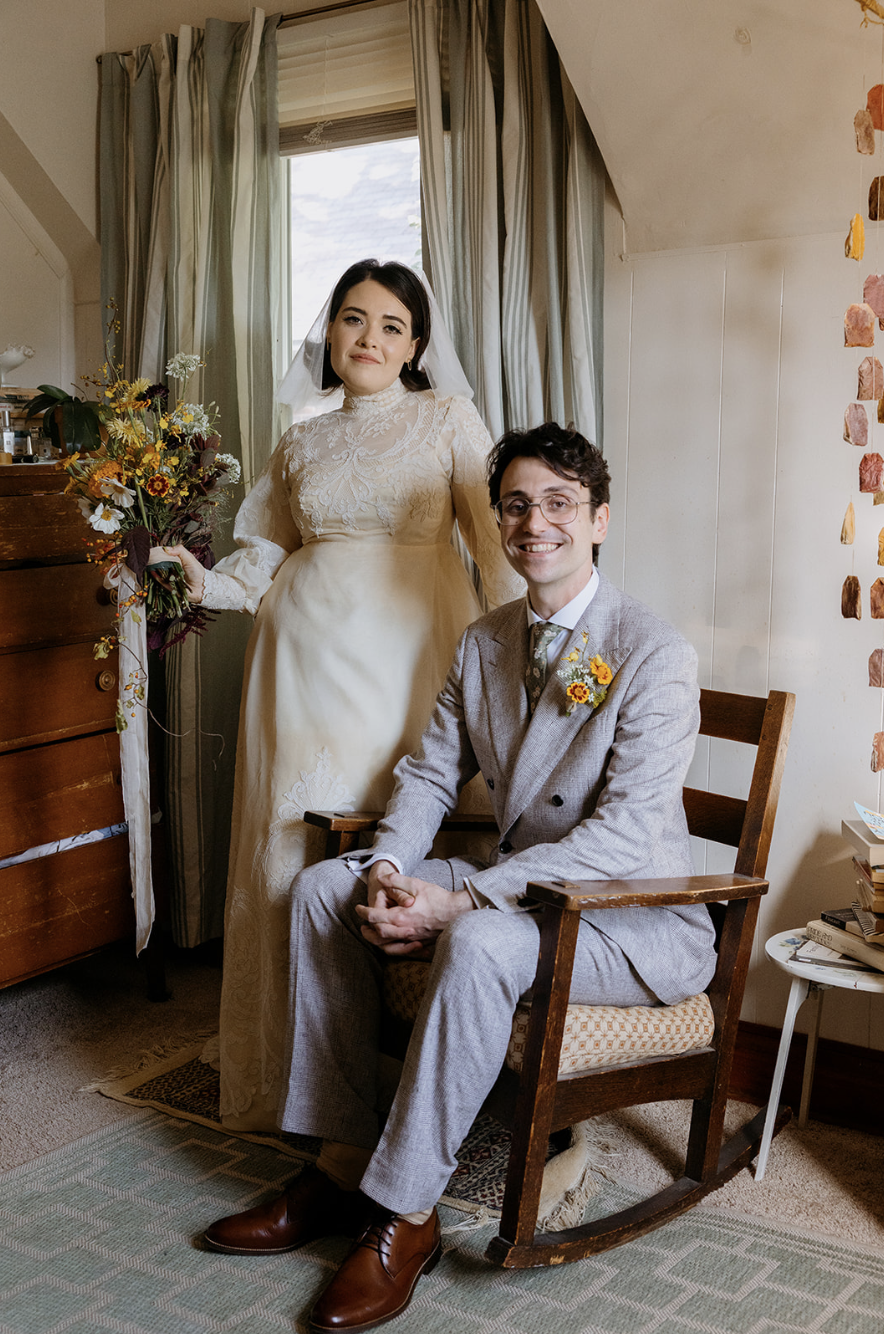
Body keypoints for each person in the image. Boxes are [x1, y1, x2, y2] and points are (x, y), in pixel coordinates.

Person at [201, 422, 717, 1333]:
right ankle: (337, 1163)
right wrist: (396, 867)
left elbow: (627, 832)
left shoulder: (654, 651)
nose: (534, 523)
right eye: (516, 504)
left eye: (558, 504)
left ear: (599, 520)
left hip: (632, 921)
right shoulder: (485, 641)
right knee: (329, 889)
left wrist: (465, 896)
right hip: (530, 889)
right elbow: (434, 773)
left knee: (478, 938)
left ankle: (404, 1212)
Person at [161, 259, 523, 1131]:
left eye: (391, 325)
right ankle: (294, 1065)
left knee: (398, 830)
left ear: (417, 346)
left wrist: (531, 659)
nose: (369, 338)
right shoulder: (302, 439)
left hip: (409, 658)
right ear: (329, 333)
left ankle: (420, 1070)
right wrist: (194, 578)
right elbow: (267, 554)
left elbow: (499, 547)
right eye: (353, 319)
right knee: (294, 844)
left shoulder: (447, 420)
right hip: (299, 669)